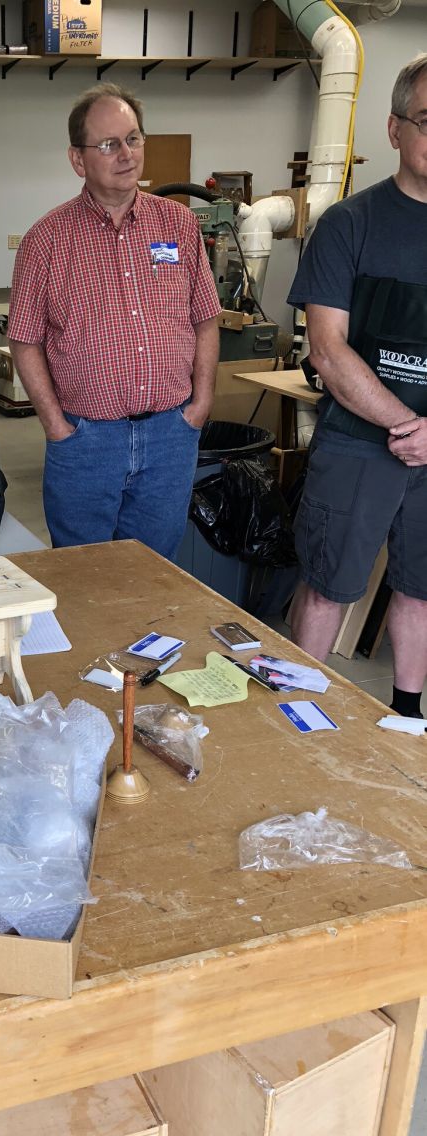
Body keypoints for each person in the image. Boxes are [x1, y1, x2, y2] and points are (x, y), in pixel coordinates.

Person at [7, 82, 221, 558]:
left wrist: (201, 403)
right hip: (86, 441)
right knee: (84, 573)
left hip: (170, 435)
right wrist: (56, 426)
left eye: (133, 139)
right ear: (77, 159)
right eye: (107, 144)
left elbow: (205, 319)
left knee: (156, 570)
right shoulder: (46, 240)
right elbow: (24, 341)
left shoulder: (179, 225)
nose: (126, 154)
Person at [288, 53, 427, 718]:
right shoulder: (349, 224)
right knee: (327, 588)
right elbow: (328, 349)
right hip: (356, 442)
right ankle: (293, 716)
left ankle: (407, 717)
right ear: (395, 129)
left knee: (421, 590)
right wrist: (408, 426)